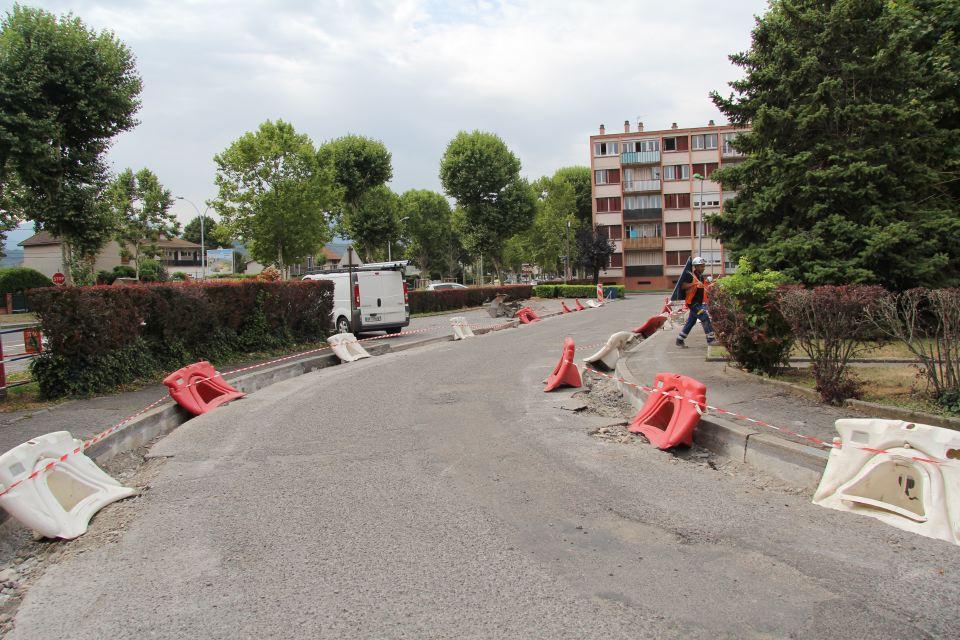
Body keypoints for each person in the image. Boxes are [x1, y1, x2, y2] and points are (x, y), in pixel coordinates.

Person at [676, 256, 716, 347]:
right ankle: (711, 340)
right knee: (704, 317)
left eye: (704, 266)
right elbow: (682, 286)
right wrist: (694, 283)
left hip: (698, 303)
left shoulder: (701, 276)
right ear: (696, 266)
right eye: (701, 266)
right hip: (692, 303)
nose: (703, 268)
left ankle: (680, 339)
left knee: (691, 321)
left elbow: (703, 286)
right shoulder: (690, 275)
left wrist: (710, 284)